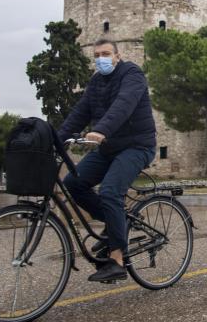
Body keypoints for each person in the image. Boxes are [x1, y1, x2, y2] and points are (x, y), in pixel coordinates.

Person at [57, 39, 156, 282]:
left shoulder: (132, 74)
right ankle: (117, 223)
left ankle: (117, 260)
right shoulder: (96, 82)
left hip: (137, 146)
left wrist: (101, 130)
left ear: (117, 55)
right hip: (108, 147)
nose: (101, 58)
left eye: (106, 53)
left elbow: (124, 104)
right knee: (73, 182)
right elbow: (80, 113)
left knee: (110, 191)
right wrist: (55, 140)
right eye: (97, 55)